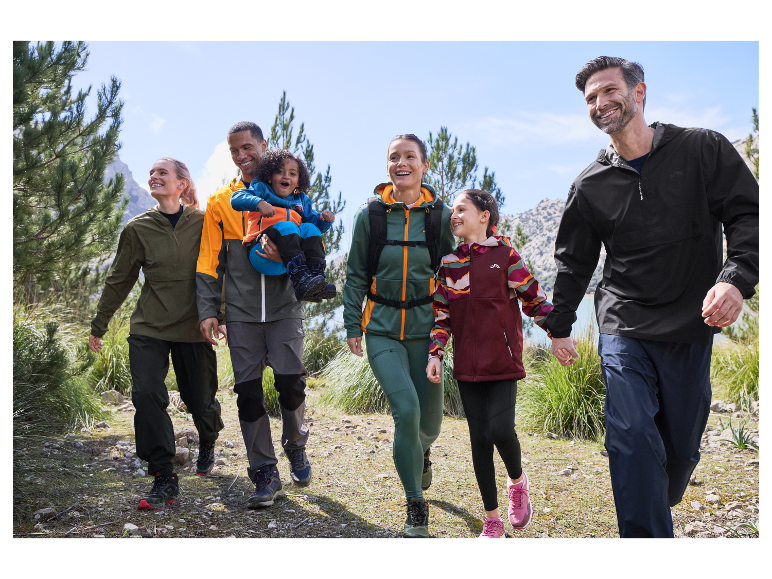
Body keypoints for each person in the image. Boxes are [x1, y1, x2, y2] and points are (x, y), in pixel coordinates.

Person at [547, 56, 759, 539]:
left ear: (640, 93)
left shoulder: (702, 149)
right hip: (625, 322)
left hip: (690, 325)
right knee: (630, 434)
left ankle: (653, 499)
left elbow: (749, 216)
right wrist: (560, 325)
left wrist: (734, 278)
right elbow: (573, 263)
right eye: (590, 98)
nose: (600, 103)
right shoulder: (589, 185)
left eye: (608, 91)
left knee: (679, 452)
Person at [89, 158, 224, 509]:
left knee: (200, 400)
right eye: (151, 173)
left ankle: (208, 435)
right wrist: (99, 325)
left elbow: (218, 271)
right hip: (149, 325)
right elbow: (120, 279)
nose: (154, 176)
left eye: (162, 172)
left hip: (194, 327)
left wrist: (220, 314)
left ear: (182, 183)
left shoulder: (204, 222)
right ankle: (164, 476)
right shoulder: (138, 228)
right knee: (147, 395)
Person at [343, 134, 455, 539]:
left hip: (428, 333)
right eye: (394, 157)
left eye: (410, 156)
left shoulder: (440, 217)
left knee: (431, 424)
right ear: (387, 166)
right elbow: (355, 273)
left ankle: (423, 451)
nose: (401, 163)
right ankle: (415, 505)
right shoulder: (369, 216)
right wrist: (352, 324)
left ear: (424, 165)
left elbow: (453, 272)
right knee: (404, 411)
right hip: (382, 329)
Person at [426, 189, 555, 539]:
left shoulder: (505, 255)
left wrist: (559, 332)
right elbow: (442, 316)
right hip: (467, 366)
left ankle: (517, 481)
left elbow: (533, 298)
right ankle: (492, 519)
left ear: (484, 215)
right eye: (452, 211)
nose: (454, 215)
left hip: (502, 360)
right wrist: (435, 353)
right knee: (479, 440)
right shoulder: (449, 265)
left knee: (500, 430)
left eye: (462, 209)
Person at [196, 122, 312, 508]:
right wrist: (209, 309)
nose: (242, 155)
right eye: (234, 150)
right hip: (242, 313)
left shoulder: (290, 192)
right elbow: (209, 261)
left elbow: (311, 243)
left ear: (264, 146)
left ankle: (295, 446)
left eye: (248, 147)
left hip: (284, 309)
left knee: (291, 385)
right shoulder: (220, 202)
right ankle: (264, 471)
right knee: (247, 395)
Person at [230, 149, 336, 302]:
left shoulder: (301, 200)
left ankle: (315, 279)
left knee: (310, 229)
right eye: (280, 172)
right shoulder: (261, 189)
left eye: (292, 173)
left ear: (299, 181)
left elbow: (315, 226)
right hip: (261, 252)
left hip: (287, 262)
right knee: (288, 226)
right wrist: (259, 203)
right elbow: (237, 198)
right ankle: (301, 281)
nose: (286, 176)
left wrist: (324, 220)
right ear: (269, 176)